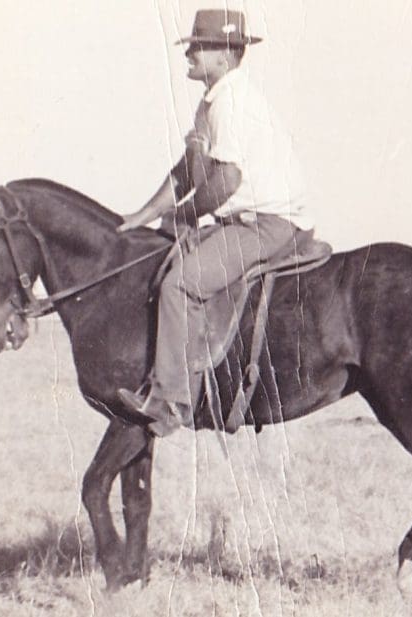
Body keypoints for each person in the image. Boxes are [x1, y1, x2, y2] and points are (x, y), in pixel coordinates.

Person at [117, 9, 313, 436]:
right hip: (247, 221)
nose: (189, 53)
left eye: (199, 46)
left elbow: (226, 180)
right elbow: (188, 172)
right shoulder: (216, 99)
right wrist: (145, 216)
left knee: (179, 284)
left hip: (268, 225)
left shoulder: (233, 104)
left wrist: (183, 215)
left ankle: (172, 402)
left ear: (225, 55)